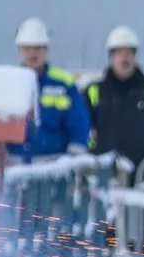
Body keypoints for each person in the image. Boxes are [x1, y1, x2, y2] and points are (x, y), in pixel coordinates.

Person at [88, 27, 144, 252]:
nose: (124, 58)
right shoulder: (95, 92)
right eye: (119, 53)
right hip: (108, 176)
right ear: (111, 57)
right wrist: (94, 157)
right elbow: (84, 130)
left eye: (129, 53)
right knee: (108, 230)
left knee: (142, 229)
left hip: (143, 173)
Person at [13, 17, 92, 162]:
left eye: (37, 48)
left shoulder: (63, 83)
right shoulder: (8, 83)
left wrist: (74, 155)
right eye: (27, 49)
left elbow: (79, 122)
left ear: (46, 49)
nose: (32, 54)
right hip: (14, 162)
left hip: (53, 163)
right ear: (19, 51)